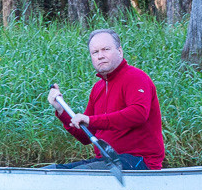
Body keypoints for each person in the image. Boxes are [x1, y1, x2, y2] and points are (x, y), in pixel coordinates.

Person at [46, 28, 165, 170]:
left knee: (79, 174)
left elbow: (138, 114)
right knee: (51, 171)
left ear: (120, 51)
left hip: (138, 160)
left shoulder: (136, 77)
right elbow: (85, 136)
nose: (100, 56)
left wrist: (91, 120)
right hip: (107, 160)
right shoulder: (98, 88)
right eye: (95, 52)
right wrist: (61, 110)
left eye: (105, 49)